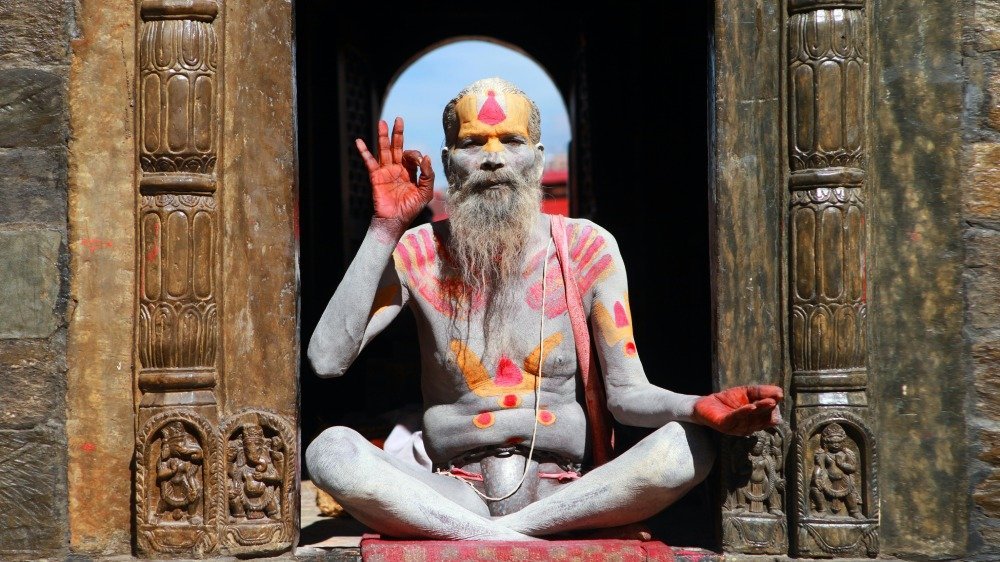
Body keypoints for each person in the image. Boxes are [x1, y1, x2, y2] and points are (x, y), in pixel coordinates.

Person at [306, 77, 783, 541]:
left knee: (689, 447)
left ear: (536, 161)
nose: (493, 158)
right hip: (454, 492)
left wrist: (697, 407)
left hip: (570, 493)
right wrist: (384, 228)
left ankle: (495, 537)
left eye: (511, 140)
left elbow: (626, 395)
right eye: (473, 143)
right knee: (330, 451)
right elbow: (326, 361)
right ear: (450, 164)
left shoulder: (587, 249)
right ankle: (504, 534)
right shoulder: (418, 253)